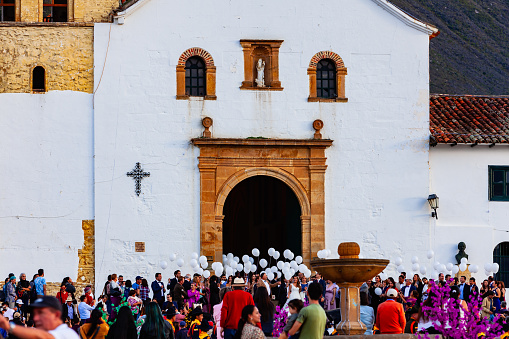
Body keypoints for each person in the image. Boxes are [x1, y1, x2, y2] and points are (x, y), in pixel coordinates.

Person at [0, 296, 79, 338]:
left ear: (56, 315)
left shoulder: (67, 334)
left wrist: (7, 326)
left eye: (41, 313)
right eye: (34, 313)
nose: (36, 318)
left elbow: (41, 336)